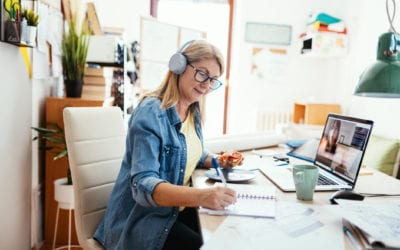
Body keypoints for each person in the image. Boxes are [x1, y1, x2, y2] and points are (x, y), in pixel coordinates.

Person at [94, 40, 241, 250]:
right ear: (178, 66)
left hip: (174, 211)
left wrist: (220, 160)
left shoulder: (192, 110)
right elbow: (144, 185)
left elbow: (190, 154)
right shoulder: (151, 112)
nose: (206, 85)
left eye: (213, 80)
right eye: (202, 74)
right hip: (142, 222)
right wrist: (204, 196)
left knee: (228, 234)